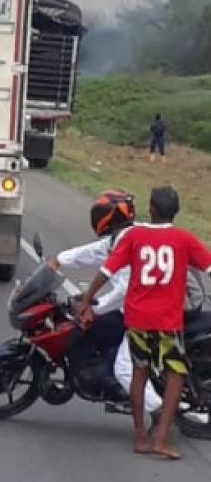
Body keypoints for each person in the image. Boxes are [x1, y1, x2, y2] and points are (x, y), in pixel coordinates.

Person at [78, 186, 211, 460]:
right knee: (176, 374)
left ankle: (140, 437)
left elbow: (106, 270)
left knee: (138, 374)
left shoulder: (135, 236)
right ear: (177, 211)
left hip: (137, 319)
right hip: (167, 322)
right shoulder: (185, 239)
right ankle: (160, 439)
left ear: (151, 210)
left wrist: (87, 300)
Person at [48, 190, 162, 415]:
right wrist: (59, 260)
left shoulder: (129, 239)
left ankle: (159, 413)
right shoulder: (124, 236)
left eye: (99, 213)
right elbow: (95, 252)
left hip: (141, 312)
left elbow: (126, 290)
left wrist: (94, 308)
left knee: (124, 368)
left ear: (110, 216)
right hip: (137, 306)